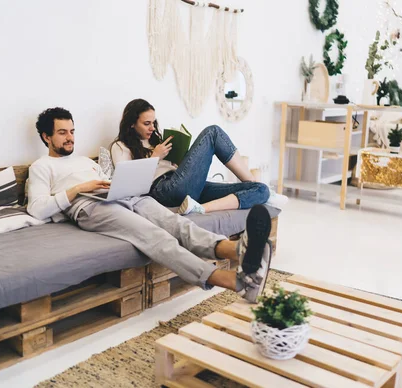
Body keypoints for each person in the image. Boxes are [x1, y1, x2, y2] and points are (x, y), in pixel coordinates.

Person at [26, 107, 274, 303]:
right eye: (62, 133)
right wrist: (80, 188)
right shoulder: (41, 166)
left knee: (176, 223)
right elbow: (37, 209)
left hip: (122, 195)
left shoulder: (84, 161)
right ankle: (232, 281)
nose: (70, 138)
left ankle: (238, 250)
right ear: (46, 137)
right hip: (89, 205)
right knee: (154, 236)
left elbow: (111, 179)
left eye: (72, 131)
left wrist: (121, 184)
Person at [110, 98, 287, 215]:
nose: (152, 128)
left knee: (260, 189)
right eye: (146, 123)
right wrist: (155, 157)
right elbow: (126, 186)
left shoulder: (156, 141)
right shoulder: (120, 146)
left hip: (184, 186)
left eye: (153, 123)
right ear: (132, 124)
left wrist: (181, 159)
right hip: (163, 190)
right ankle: (250, 181)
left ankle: (199, 208)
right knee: (213, 133)